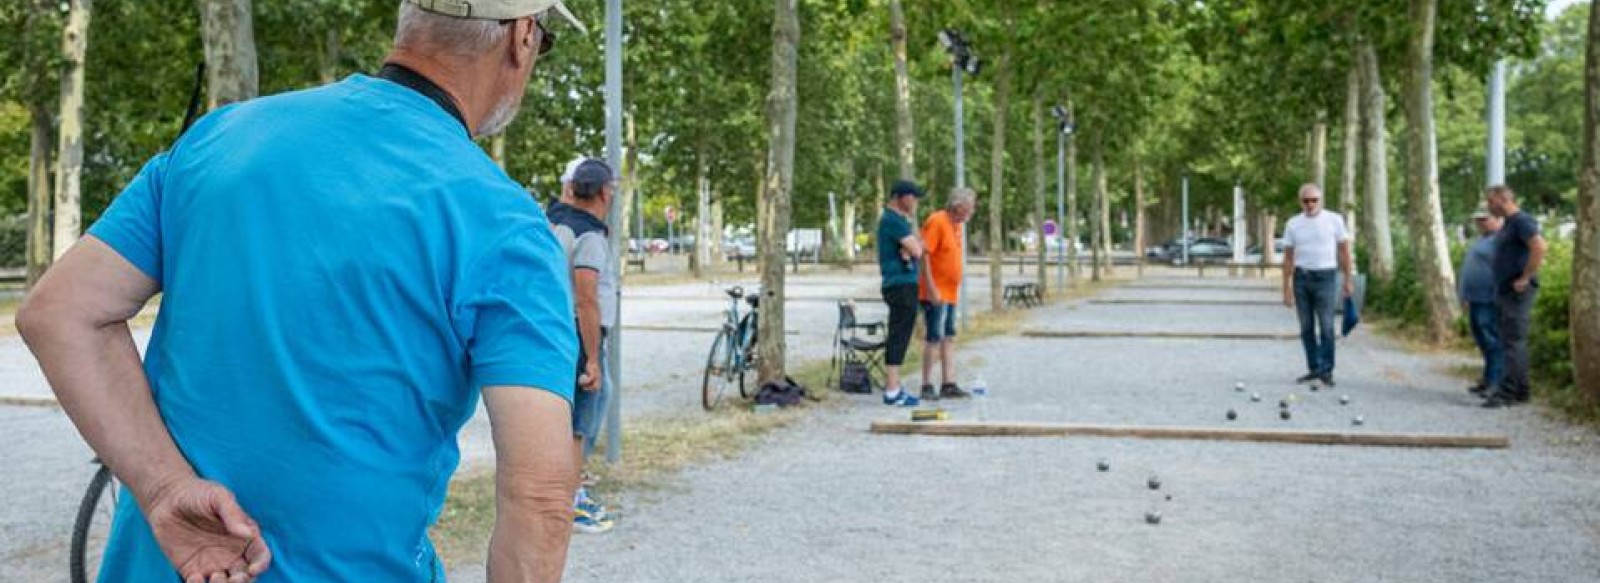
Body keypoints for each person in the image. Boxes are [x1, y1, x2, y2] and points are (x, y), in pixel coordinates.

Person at [16, 1, 586, 581]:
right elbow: (539, 497)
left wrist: (164, 488)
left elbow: (59, 312)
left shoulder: (221, 138)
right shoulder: (502, 221)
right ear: (522, 37)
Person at [548, 157, 617, 533]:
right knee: (580, 424)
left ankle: (565, 490)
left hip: (555, 329)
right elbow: (587, 297)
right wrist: (592, 358)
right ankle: (570, 501)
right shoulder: (589, 236)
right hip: (579, 334)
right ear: (605, 193)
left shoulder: (554, 222)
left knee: (580, 412)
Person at [1281, 183, 1355, 386]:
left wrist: (1348, 279)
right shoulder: (1293, 224)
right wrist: (1286, 289)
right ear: (1300, 202)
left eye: (1314, 200)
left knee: (1327, 326)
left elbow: (1344, 252)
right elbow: (1288, 258)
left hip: (1326, 277)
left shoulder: (1334, 220)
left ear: (1321, 200)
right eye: (1306, 201)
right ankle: (1313, 367)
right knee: (1306, 327)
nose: (1310, 204)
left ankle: (1327, 369)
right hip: (1301, 277)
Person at [1482, 184, 1548, 409]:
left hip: (1516, 291)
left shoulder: (1522, 221)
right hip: (1505, 290)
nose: (1488, 207)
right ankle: (1521, 389)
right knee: (1509, 340)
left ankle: (1508, 392)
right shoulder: (1509, 224)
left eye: (1490, 202)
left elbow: (1539, 246)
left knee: (1513, 342)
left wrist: (1526, 276)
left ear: (1503, 199)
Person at [918, 187, 976, 402]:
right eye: (970, 207)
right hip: (936, 292)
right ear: (959, 206)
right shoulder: (937, 221)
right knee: (933, 336)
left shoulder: (957, 226)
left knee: (948, 336)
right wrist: (931, 287)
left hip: (950, 292)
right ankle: (926, 384)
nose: (972, 211)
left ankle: (948, 382)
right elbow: (924, 254)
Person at [876, 179, 927, 407]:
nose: (916, 202)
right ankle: (892, 389)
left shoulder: (899, 221)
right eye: (913, 197)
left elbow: (918, 247)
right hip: (900, 283)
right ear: (901, 197)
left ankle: (894, 385)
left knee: (902, 333)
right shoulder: (892, 220)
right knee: (899, 334)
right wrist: (911, 248)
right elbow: (918, 249)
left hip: (904, 282)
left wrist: (912, 247)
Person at [1458, 208, 1503, 396]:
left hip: (1489, 298)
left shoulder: (1502, 241)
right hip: (1475, 298)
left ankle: (1496, 382)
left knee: (1492, 339)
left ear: (1499, 219)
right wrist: (1464, 295)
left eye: (1485, 219)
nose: (1481, 223)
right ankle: (1488, 378)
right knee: (1482, 339)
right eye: (1479, 220)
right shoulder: (1482, 240)